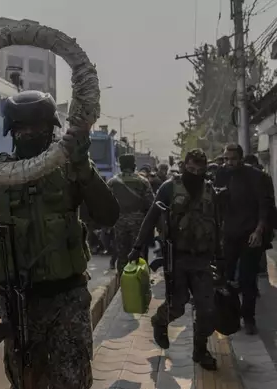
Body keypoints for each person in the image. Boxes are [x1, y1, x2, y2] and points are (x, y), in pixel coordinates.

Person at [0, 90, 119, 389]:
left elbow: (108, 215)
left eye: (37, 128)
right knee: (26, 383)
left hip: (68, 297)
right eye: (22, 128)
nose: (29, 134)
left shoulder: (69, 168)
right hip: (19, 302)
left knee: (72, 382)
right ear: (11, 132)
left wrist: (84, 168)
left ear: (51, 128)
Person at [129, 148, 219, 371]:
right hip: (176, 257)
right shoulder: (169, 188)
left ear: (205, 170)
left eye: (199, 170)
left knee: (207, 309)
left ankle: (200, 350)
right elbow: (151, 218)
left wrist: (222, 256)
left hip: (202, 259)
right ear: (183, 166)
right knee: (177, 306)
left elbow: (217, 225)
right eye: (190, 169)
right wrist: (138, 247)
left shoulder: (210, 191)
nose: (195, 173)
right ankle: (160, 322)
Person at [216, 145, 269, 335]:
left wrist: (258, 231)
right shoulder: (220, 175)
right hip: (228, 235)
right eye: (226, 158)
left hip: (250, 235)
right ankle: (231, 315)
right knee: (227, 278)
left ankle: (249, 318)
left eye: (233, 158)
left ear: (241, 158)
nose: (229, 162)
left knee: (247, 279)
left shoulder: (256, 177)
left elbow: (264, 206)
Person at [107, 154, 154, 274]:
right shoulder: (143, 181)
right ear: (133, 166)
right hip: (138, 223)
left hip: (119, 222)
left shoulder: (112, 182)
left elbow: (106, 203)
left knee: (122, 254)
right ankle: (139, 283)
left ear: (121, 166)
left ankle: (124, 281)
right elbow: (151, 204)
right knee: (138, 254)